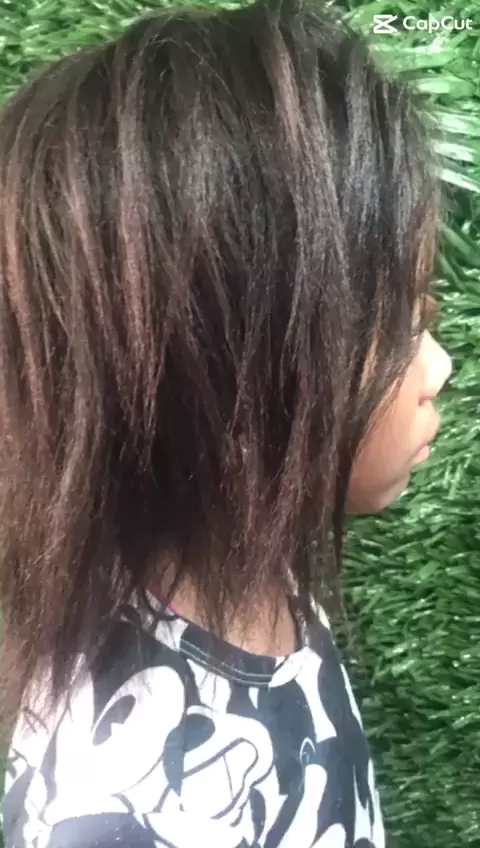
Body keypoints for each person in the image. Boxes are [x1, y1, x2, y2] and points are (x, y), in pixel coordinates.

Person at [0, 0, 452, 845]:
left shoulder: (246, 557)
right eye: (405, 326)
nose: (440, 370)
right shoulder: (120, 813)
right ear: (226, 373)